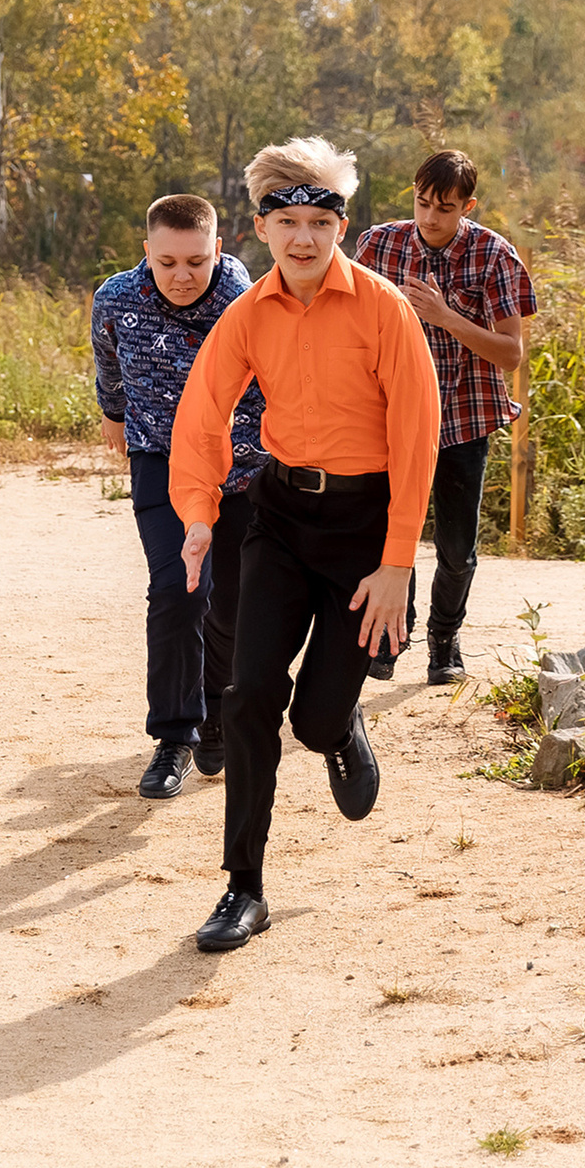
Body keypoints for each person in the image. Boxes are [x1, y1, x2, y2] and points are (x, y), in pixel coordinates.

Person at [169, 137, 439, 954]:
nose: (303, 238)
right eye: (287, 223)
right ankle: (243, 887)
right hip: (281, 517)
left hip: (364, 530)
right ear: (261, 229)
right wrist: (199, 514)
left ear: (340, 227)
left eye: (319, 223)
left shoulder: (384, 308)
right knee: (249, 693)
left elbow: (417, 434)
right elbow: (203, 411)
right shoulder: (248, 314)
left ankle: (339, 728)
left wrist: (398, 563)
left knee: (315, 722)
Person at [92, 195, 267, 799]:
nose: (182, 276)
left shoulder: (245, 301)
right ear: (147, 252)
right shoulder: (116, 298)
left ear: (218, 250)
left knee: (230, 605)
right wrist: (114, 411)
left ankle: (216, 709)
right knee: (178, 590)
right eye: (166, 262)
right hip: (160, 461)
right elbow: (108, 360)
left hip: (240, 468)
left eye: (196, 261)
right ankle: (174, 736)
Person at [350, 149, 536, 685]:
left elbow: (511, 353)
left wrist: (445, 316)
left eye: (445, 208)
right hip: (391, 418)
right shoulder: (379, 244)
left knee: (456, 549)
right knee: (393, 535)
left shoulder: (493, 254)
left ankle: (445, 641)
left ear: (467, 206)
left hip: (462, 418)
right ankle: (390, 637)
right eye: (423, 202)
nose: (430, 217)